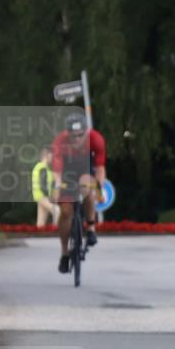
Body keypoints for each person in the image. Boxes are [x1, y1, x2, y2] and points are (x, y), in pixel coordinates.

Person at [50, 111, 106, 273]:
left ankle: (90, 228)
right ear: (67, 133)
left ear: (86, 132)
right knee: (66, 212)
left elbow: (100, 168)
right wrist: (57, 187)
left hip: (85, 169)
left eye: (80, 135)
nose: (76, 139)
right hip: (66, 172)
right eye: (72, 136)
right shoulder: (60, 141)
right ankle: (64, 254)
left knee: (88, 187)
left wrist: (99, 189)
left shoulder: (96, 139)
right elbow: (57, 169)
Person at [31, 146, 58, 227]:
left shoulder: (41, 167)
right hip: (42, 196)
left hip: (39, 196)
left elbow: (49, 182)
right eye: (51, 156)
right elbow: (43, 184)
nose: (52, 158)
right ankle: (56, 231)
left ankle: (37, 236)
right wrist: (49, 196)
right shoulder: (43, 167)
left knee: (41, 222)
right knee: (57, 211)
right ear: (46, 155)